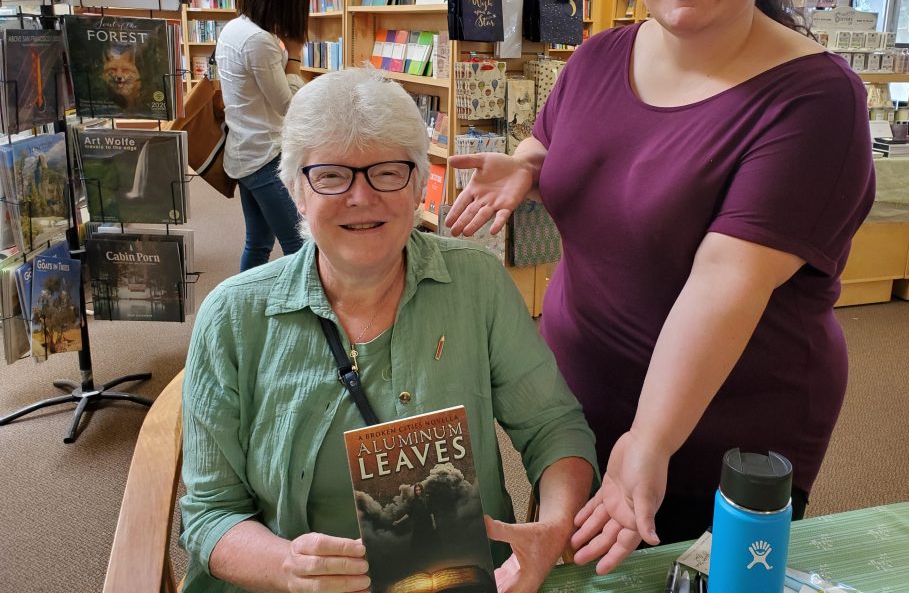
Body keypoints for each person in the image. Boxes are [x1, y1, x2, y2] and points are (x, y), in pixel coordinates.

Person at [445, 0, 875, 573]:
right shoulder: (601, 55)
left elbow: (725, 286)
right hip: (577, 405)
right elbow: (560, 144)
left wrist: (648, 441)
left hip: (718, 429)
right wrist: (524, 168)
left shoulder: (815, 99)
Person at [179, 69, 597, 593]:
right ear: (296, 192)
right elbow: (209, 512)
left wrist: (553, 529)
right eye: (331, 175)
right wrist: (287, 566)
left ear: (421, 184)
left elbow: (556, 428)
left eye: (388, 172)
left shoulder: (477, 284)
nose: (361, 196)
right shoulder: (232, 318)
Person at [216, 0, 307, 271]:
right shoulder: (260, 41)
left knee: (258, 244)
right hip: (266, 157)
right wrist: (293, 55)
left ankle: (245, 308)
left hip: (244, 152)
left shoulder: (235, 28)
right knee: (301, 247)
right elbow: (289, 108)